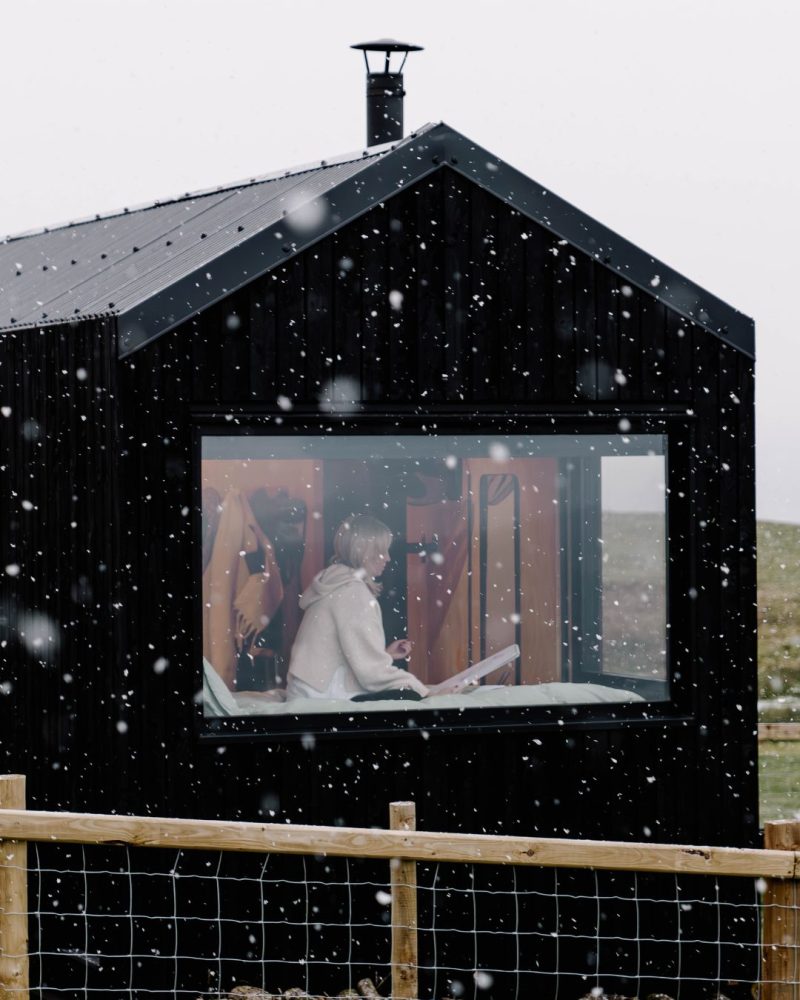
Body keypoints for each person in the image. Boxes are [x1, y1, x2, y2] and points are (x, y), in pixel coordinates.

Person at [286, 515, 429, 701]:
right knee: (410, 696)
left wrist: (385, 655)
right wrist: (425, 692)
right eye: (382, 551)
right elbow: (372, 674)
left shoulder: (335, 583)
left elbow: (341, 656)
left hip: (307, 691)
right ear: (364, 552)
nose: (388, 558)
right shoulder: (352, 592)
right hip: (324, 696)